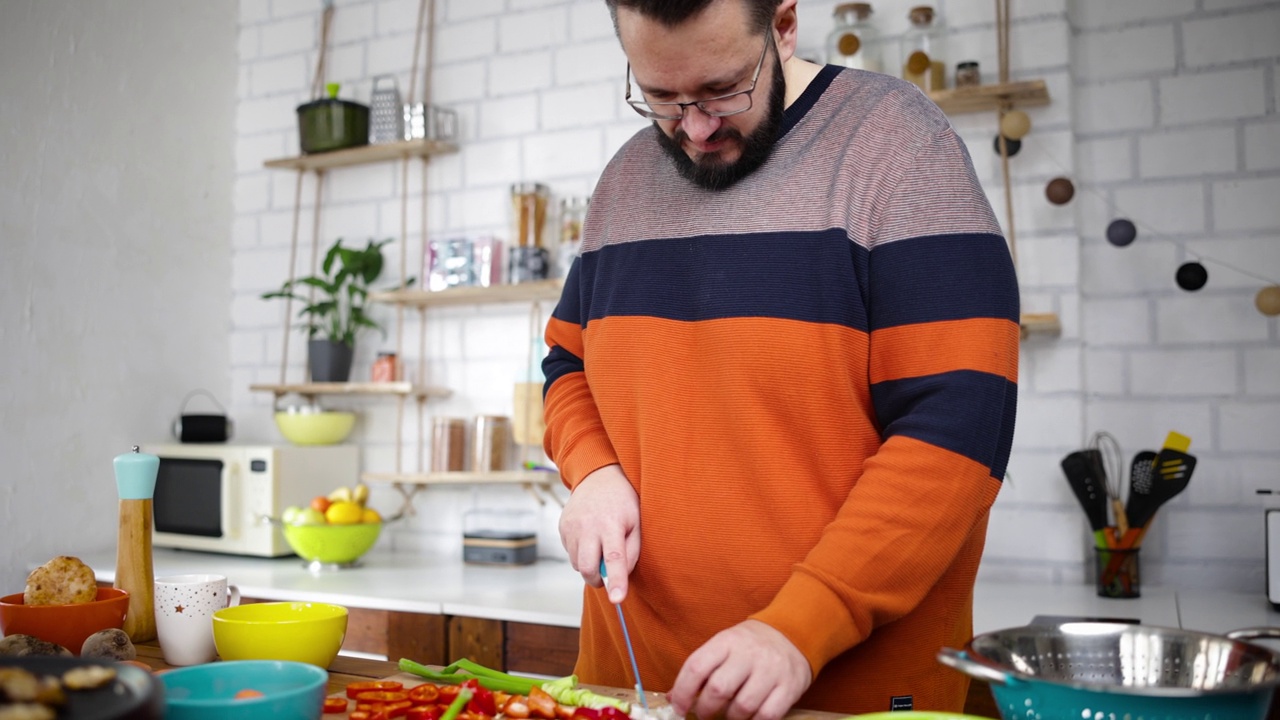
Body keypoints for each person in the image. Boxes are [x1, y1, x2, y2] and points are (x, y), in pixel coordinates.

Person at [541, 0, 1020, 716]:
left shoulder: (897, 149)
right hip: (628, 689)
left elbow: (957, 430)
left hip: (840, 692)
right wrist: (594, 472)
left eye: (721, 91)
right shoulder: (624, 182)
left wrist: (801, 627)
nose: (695, 128)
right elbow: (565, 367)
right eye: (663, 99)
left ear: (784, 25)